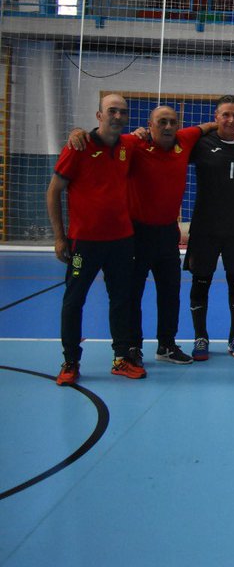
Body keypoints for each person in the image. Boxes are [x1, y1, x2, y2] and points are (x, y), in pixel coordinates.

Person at [47, 94, 144, 384]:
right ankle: (70, 361)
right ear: (99, 115)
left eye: (122, 112)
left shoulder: (129, 144)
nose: (117, 116)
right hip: (84, 243)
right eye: (111, 111)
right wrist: (60, 238)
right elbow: (53, 191)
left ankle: (122, 358)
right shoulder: (79, 146)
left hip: (122, 241)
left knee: (122, 299)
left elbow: (155, 136)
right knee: (74, 300)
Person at [126, 106, 205, 365]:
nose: (168, 127)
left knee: (170, 292)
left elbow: (207, 127)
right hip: (137, 233)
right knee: (132, 293)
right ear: (150, 124)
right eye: (162, 122)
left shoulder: (184, 140)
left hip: (167, 233)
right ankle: (132, 347)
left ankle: (166, 345)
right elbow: (105, 139)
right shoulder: (135, 145)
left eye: (173, 122)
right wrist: (81, 133)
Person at [185, 95, 234, 361]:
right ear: (216, 117)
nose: (231, 120)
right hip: (204, 228)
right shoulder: (201, 143)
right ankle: (200, 337)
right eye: (225, 115)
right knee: (200, 282)